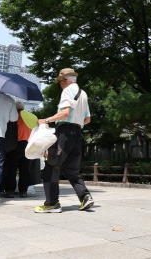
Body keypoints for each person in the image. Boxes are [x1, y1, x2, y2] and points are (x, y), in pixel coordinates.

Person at [36, 68, 93, 213]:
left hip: (64, 133)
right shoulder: (83, 93)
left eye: (60, 81)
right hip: (77, 133)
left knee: (51, 166)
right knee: (73, 170)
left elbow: (65, 113)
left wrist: (46, 120)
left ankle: (52, 203)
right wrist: (75, 121)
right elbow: (87, 119)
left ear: (65, 80)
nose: (60, 84)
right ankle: (85, 197)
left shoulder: (67, 91)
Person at [1, 101, 33, 198]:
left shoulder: (13, 117)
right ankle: (23, 191)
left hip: (14, 144)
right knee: (24, 169)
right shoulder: (31, 116)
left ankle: (10, 190)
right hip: (27, 144)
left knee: (12, 168)